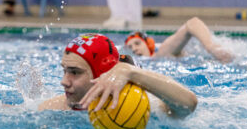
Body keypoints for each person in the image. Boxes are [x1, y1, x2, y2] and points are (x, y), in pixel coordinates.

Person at [39, 34, 198, 118]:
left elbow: (188, 105)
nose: (63, 82)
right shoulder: (60, 106)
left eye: (74, 72)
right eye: (64, 71)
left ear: (102, 74)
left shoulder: (141, 106)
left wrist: (129, 71)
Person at [124, 17, 234, 62]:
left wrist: (211, 47)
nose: (134, 49)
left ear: (149, 44)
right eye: (130, 47)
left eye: (137, 43)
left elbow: (192, 22)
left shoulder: (163, 52)